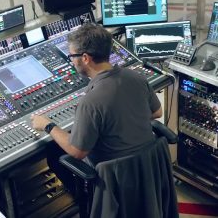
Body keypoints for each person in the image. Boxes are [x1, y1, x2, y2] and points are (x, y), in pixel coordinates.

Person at [31, 23, 162, 192]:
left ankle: (88, 201)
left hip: (115, 178)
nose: (71, 61)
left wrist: (47, 125)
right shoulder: (136, 77)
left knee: (53, 150)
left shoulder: (90, 102)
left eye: (71, 56)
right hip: (148, 169)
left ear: (85, 58)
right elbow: (157, 112)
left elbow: (77, 152)